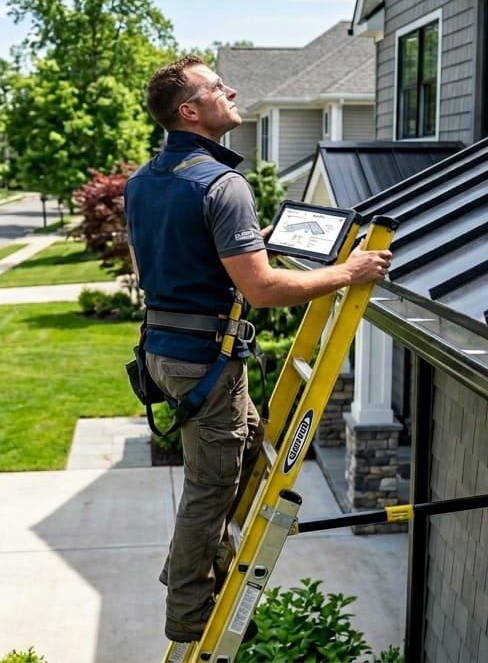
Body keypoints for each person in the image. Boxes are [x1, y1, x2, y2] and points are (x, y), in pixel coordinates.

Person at [125, 55, 392, 643]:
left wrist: (248, 240)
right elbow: (262, 288)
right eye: (217, 87)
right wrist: (349, 272)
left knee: (246, 446)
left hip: (163, 352)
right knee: (211, 485)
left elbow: (171, 252)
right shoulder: (223, 185)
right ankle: (190, 612)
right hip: (206, 360)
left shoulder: (143, 181)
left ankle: (192, 563)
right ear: (190, 110)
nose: (232, 90)